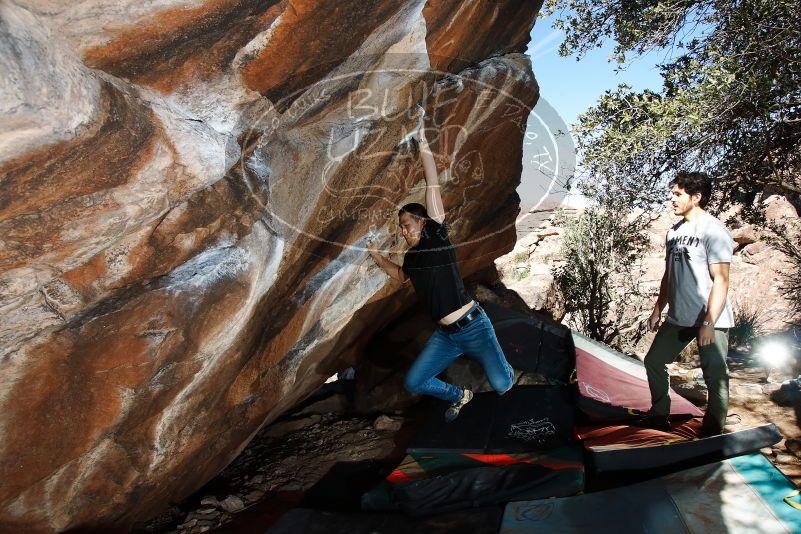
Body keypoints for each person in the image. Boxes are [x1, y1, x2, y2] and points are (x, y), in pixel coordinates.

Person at [366, 106, 515, 422]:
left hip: (474, 325)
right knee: (414, 381)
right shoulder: (410, 258)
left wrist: (422, 142)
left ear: (421, 222)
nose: (404, 230)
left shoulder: (436, 235)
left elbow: (433, 184)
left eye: (407, 224)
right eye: (401, 226)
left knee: (503, 384)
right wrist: (377, 254)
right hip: (446, 336)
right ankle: (461, 396)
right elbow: (400, 276)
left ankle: (506, 368)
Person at [642, 171, 735, 436]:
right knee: (653, 361)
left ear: (696, 197)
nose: (671, 199)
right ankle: (660, 415)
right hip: (679, 317)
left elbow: (721, 280)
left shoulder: (714, 231)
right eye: (672, 193)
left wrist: (708, 322)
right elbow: (669, 275)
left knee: (715, 374)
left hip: (710, 319)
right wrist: (658, 309)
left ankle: (714, 429)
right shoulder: (674, 232)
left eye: (678, 194)